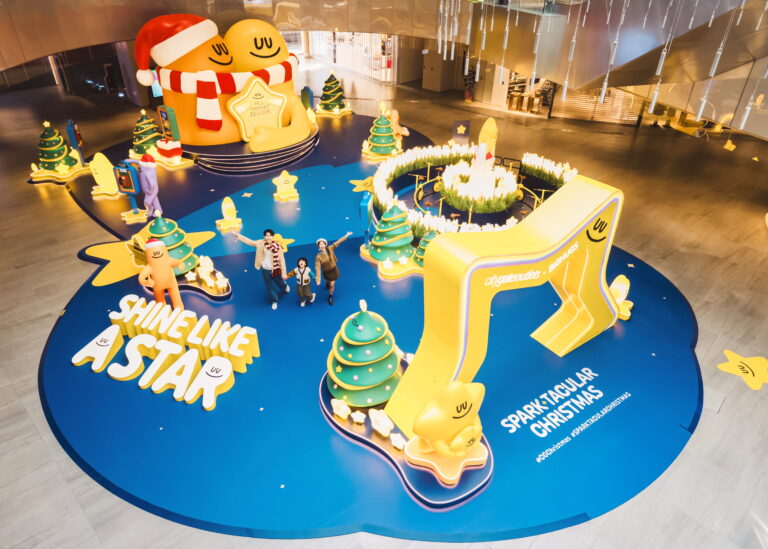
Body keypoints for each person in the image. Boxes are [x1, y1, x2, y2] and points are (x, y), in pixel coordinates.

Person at [234, 229, 289, 310]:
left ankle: (285, 287)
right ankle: (275, 300)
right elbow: (250, 242)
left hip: (275, 269)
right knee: (269, 287)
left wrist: (284, 273)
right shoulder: (260, 243)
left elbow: (282, 261)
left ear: (273, 237)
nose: (268, 237)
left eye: (270, 235)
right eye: (267, 235)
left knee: (279, 282)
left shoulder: (278, 247)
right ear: (264, 237)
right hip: (265, 270)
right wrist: (238, 236)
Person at [315, 232, 352, 305]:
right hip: (326, 272)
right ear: (318, 246)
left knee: (332, 285)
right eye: (320, 244)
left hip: (333, 270)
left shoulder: (330, 248)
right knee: (328, 281)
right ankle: (327, 283)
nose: (322, 245)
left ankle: (330, 296)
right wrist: (318, 280)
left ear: (325, 244)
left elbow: (338, 242)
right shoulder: (318, 257)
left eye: (323, 244)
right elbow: (317, 268)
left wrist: (346, 235)